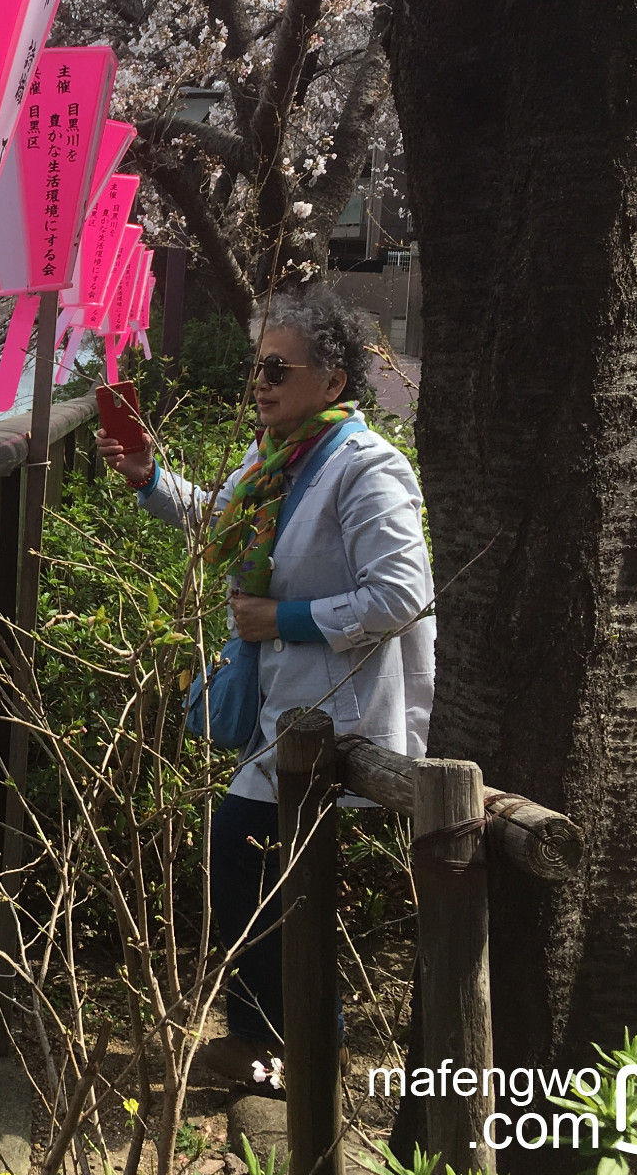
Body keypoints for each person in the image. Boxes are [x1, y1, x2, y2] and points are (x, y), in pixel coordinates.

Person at [95, 284, 435, 1087]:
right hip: (286, 711)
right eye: (258, 366)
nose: (261, 381)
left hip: (335, 716)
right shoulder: (275, 459)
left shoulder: (366, 469)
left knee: (261, 871)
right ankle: (277, 1044)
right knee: (267, 877)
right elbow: (223, 521)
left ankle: (293, 1049)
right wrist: (150, 477)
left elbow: (401, 595)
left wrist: (282, 620)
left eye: (279, 367)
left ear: (334, 381)